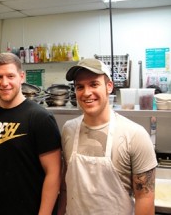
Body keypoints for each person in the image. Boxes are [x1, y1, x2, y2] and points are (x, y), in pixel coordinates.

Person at [58, 58, 157, 215]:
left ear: (109, 86)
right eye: (80, 87)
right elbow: (66, 186)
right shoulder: (68, 130)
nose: (86, 93)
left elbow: (144, 198)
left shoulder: (134, 135)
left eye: (94, 84)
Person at [0, 52, 62, 215]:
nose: (4, 83)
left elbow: (54, 173)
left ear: (22, 77)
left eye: (10, 76)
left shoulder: (40, 118)